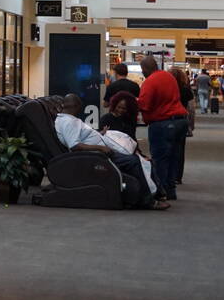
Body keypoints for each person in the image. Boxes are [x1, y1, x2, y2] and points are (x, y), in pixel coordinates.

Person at [55, 94, 163, 209]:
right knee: (134, 161)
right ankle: (147, 200)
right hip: (96, 156)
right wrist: (100, 148)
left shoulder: (68, 120)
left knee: (141, 160)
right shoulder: (69, 122)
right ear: (76, 106)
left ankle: (156, 193)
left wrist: (99, 134)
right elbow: (75, 145)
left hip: (99, 151)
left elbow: (81, 138)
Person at [137, 55, 187, 202]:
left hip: (162, 123)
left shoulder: (149, 82)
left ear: (145, 69)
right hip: (180, 122)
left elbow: (145, 105)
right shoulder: (169, 77)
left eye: (142, 70)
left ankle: (160, 191)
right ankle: (171, 190)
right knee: (173, 157)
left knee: (160, 158)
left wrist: (134, 101)